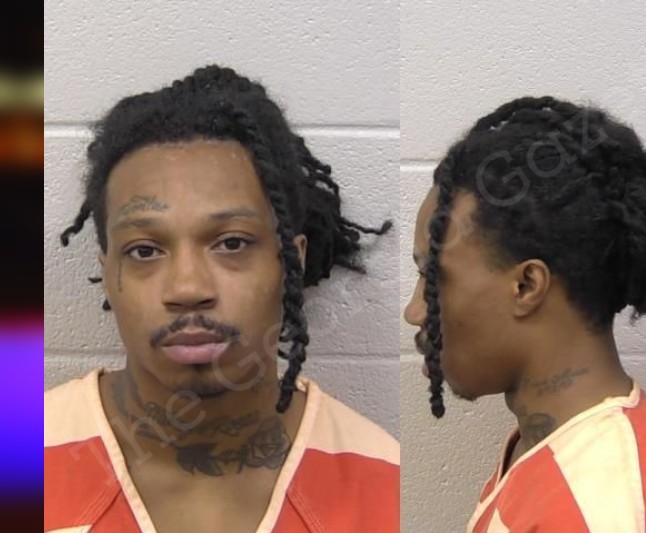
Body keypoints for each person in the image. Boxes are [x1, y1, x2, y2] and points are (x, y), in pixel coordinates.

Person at [45, 65, 399, 532]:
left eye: (231, 243)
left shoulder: (384, 483)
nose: (188, 289)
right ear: (108, 273)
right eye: (145, 250)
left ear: (290, 263)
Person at [404, 95, 646, 532]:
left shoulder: (601, 511)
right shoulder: (562, 452)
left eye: (432, 279)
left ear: (527, 285)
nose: (414, 311)